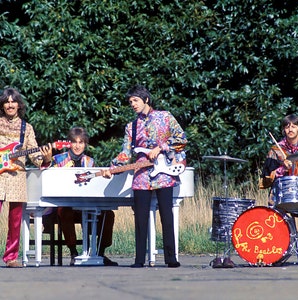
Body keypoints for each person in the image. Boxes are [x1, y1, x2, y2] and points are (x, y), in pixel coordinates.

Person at [103, 84, 187, 268]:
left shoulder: (165, 117)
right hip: (141, 175)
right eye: (130, 101)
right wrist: (112, 167)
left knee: (167, 215)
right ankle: (139, 259)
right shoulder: (131, 126)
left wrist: (161, 147)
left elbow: (182, 138)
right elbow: (125, 153)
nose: (132, 104)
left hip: (164, 174)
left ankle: (171, 258)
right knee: (140, 218)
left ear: (146, 100)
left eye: (136, 100)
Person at [41, 127, 118, 266]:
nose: (77, 146)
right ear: (69, 143)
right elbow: (45, 176)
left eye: (81, 142)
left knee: (108, 214)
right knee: (64, 211)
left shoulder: (90, 161)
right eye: (74, 142)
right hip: (64, 205)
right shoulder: (58, 159)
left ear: (85, 144)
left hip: (85, 205)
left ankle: (100, 253)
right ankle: (73, 253)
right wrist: (46, 161)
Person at [0, 87, 50, 268]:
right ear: (3, 105)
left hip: (16, 176)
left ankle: (11, 257)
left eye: (13, 101)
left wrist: (45, 158)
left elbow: (35, 155)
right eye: (7, 101)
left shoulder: (26, 128)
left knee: (15, 220)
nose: (10, 105)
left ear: (19, 105)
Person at [260, 114, 298, 205]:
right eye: (287, 127)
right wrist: (282, 169)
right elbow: (265, 181)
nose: (290, 130)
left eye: (294, 127)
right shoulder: (275, 150)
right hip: (280, 196)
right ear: (283, 130)